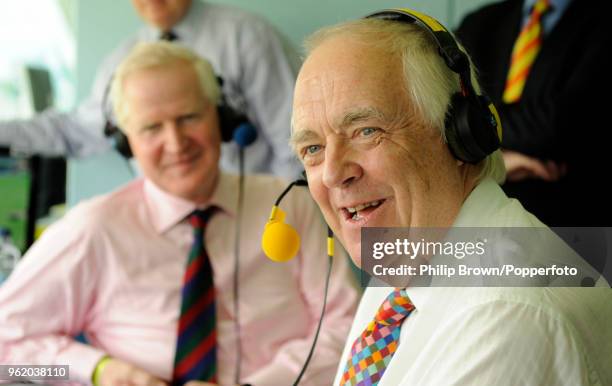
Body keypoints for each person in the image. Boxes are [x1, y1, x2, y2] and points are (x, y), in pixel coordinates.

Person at [0, 42, 359, 386]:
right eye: (152, 128)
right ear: (126, 141)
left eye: (188, 117)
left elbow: (347, 324)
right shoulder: (93, 228)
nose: (175, 143)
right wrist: (96, 370)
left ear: (222, 118)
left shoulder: (290, 204)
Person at [290, 9, 612, 385]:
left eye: (366, 131)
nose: (332, 173)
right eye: (312, 148)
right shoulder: (406, 264)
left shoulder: (509, 317)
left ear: (459, 133)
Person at [0, 0, 302, 179]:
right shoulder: (121, 62)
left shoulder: (247, 37)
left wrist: (274, 214)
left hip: (250, 222)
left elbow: (295, 142)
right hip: (169, 233)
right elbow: (74, 132)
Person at [455, 0, 612, 226]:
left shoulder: (603, 22)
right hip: (480, 228)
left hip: (574, 229)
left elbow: (563, 123)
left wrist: (474, 123)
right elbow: (442, 113)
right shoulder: (479, 23)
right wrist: (497, 163)